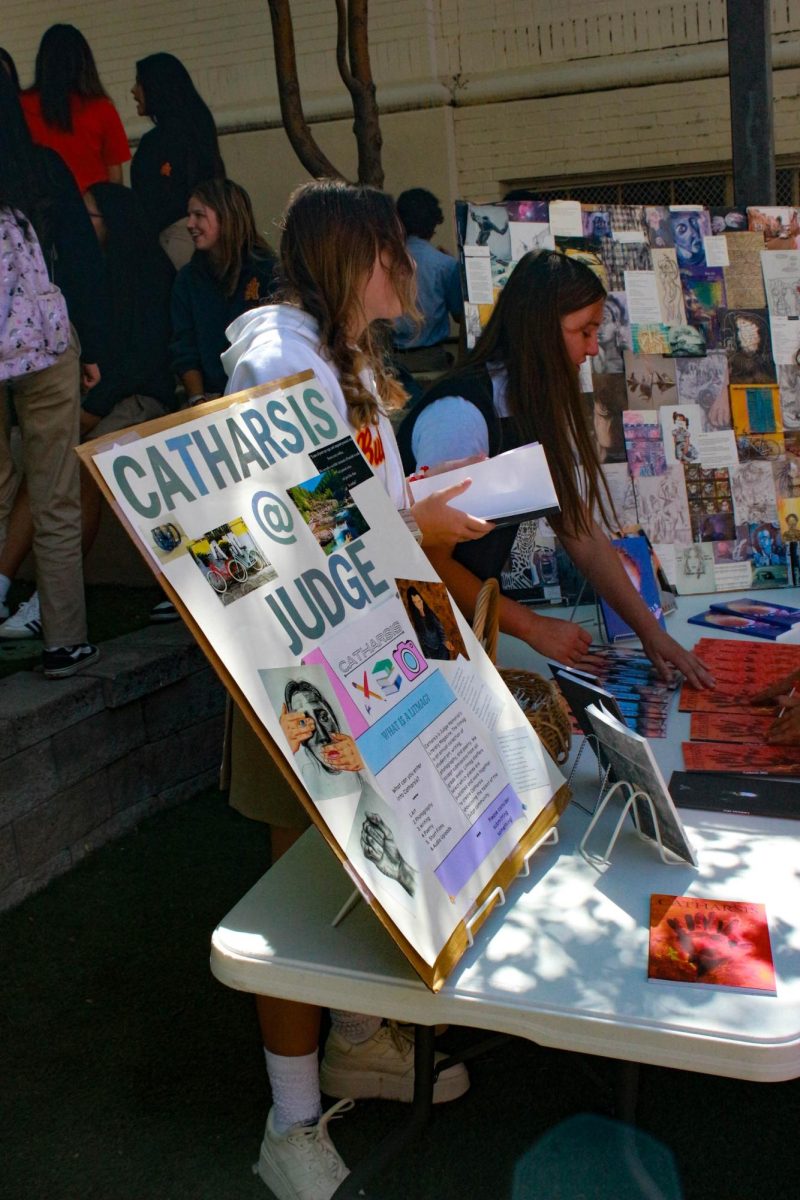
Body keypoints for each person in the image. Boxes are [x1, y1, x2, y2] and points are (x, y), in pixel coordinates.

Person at [220, 179, 488, 1200]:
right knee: (293, 891)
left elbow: (364, 499)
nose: (407, 270)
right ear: (350, 257)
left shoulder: (339, 356)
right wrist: (412, 525)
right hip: (292, 659)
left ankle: (357, 1041)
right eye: (391, 251)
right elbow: (307, 512)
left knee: (358, 866)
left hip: (365, 644)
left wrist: (423, 513)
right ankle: (289, 1126)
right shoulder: (280, 353)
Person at [397, 249, 714, 688]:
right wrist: (533, 627)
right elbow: (429, 565)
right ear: (540, 330)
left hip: (466, 626)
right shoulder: (460, 414)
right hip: (415, 641)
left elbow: (578, 528)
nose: (590, 347)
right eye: (582, 331)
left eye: (594, 332)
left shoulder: (533, 403)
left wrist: (651, 632)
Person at [0, 181, 177, 639]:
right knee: (47, 467)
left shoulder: (147, 270)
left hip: (139, 395)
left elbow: (144, 355)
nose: (82, 225)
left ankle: (50, 602)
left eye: (91, 217)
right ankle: (3, 583)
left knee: (86, 464)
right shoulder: (81, 268)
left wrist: (93, 408)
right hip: (95, 398)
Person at [0, 68, 102, 675]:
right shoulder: (39, 168)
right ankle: (63, 639)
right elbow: (83, 263)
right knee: (56, 489)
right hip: (45, 348)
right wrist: (89, 351)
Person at [170, 178, 278, 403]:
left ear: (226, 216)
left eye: (199, 215)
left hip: (263, 394)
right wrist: (198, 400)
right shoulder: (187, 279)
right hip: (210, 399)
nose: (189, 224)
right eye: (189, 215)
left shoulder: (268, 271)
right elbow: (184, 347)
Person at [130, 53, 225, 269]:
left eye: (139, 83)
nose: (134, 91)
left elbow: (149, 201)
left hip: (172, 245)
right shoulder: (200, 130)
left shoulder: (157, 143)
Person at [20, 25, 130, 194]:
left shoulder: (23, 106)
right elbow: (115, 178)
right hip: (93, 210)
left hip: (46, 209)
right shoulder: (102, 108)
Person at [392, 188, 462, 374]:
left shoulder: (384, 262)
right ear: (433, 225)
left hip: (390, 361)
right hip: (431, 359)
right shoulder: (445, 265)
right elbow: (459, 315)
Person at [405, 585, 453, 659]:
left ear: (422, 600)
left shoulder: (430, 614)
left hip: (441, 648)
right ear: (413, 605)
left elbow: (439, 628)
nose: (418, 604)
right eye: (415, 602)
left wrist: (445, 641)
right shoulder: (416, 621)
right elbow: (421, 642)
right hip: (431, 654)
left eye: (419, 601)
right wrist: (427, 657)